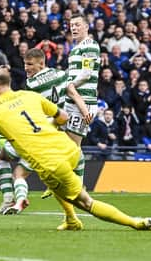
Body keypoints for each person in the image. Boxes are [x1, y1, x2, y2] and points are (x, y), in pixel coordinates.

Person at [0, 66, 151, 231]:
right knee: (52, 182)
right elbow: (63, 117)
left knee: (85, 201)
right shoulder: (30, 96)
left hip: (52, 163)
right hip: (69, 149)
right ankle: (70, 219)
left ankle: (138, 223)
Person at [0, 49, 69, 215]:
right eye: (24, 64)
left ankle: (10, 200)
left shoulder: (32, 84)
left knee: (4, 160)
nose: (26, 68)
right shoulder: (61, 75)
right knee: (20, 172)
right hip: (53, 134)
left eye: (29, 64)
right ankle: (18, 201)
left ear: (41, 63)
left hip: (33, 132)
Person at [63, 15, 100, 187]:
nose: (74, 28)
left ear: (86, 26)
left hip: (83, 101)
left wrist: (70, 84)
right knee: (67, 143)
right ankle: (73, 181)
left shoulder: (89, 45)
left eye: (77, 25)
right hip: (72, 101)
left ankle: (77, 184)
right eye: (71, 25)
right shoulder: (76, 47)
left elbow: (87, 73)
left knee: (73, 145)